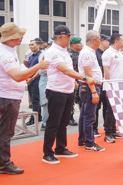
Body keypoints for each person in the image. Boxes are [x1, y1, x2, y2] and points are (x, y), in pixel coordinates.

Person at [0, 22, 48, 175]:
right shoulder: (5, 53)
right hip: (8, 96)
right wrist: (39, 66)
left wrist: (28, 73)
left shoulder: (7, 50)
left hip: (6, 95)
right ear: (12, 37)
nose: (22, 37)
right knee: (5, 131)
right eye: (19, 35)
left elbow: (19, 72)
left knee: (0, 130)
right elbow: (17, 76)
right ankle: (3, 163)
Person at [42, 25, 95, 165]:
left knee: (64, 122)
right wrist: (83, 78)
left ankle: (61, 148)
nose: (70, 39)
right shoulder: (53, 51)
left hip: (67, 90)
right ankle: (47, 152)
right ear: (60, 37)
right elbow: (64, 69)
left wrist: (74, 82)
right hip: (56, 91)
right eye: (68, 37)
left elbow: (70, 69)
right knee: (53, 123)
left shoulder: (65, 51)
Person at [78, 31, 105, 152]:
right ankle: (89, 142)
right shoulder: (87, 53)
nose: (100, 42)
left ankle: (83, 139)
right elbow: (88, 73)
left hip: (89, 87)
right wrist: (94, 91)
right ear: (94, 40)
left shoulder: (89, 52)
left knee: (85, 115)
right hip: (90, 87)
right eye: (99, 39)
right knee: (89, 116)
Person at [102, 33, 123, 143]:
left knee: (117, 109)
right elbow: (106, 71)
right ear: (116, 41)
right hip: (111, 85)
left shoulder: (119, 53)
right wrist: (107, 86)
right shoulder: (108, 53)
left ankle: (113, 129)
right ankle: (107, 133)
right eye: (121, 40)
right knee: (110, 110)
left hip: (119, 85)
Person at [94, 34, 110, 138]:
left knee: (107, 106)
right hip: (98, 83)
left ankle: (106, 126)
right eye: (108, 41)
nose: (109, 43)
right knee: (96, 107)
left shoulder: (106, 53)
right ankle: (94, 128)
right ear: (102, 41)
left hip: (106, 82)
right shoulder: (95, 53)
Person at [25, 38, 43, 126]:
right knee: (33, 100)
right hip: (30, 81)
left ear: (39, 45)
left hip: (36, 81)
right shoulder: (31, 56)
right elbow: (29, 68)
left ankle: (34, 118)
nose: (31, 46)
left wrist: (32, 79)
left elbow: (40, 69)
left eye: (33, 44)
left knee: (35, 101)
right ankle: (38, 116)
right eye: (30, 45)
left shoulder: (41, 55)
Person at [68, 36, 84, 126]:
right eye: (78, 43)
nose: (80, 44)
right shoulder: (68, 54)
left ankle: (82, 115)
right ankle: (70, 117)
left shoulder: (80, 53)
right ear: (73, 44)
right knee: (72, 100)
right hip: (72, 79)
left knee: (81, 99)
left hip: (80, 79)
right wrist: (74, 80)